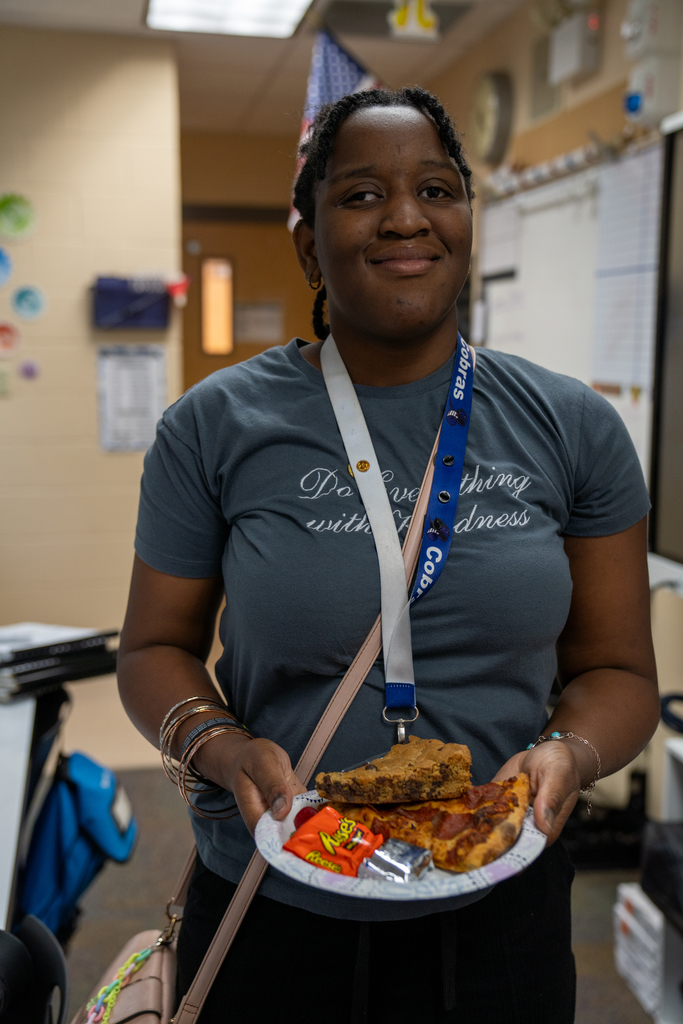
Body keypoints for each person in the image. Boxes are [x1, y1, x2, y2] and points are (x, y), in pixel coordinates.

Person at [118, 87, 659, 1024]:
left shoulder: (573, 427)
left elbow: (618, 671)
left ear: (465, 221)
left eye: (436, 189)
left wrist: (568, 752)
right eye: (362, 194)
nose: (405, 217)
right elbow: (151, 651)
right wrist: (221, 746)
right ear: (307, 242)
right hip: (272, 897)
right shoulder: (213, 425)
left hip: (496, 899)